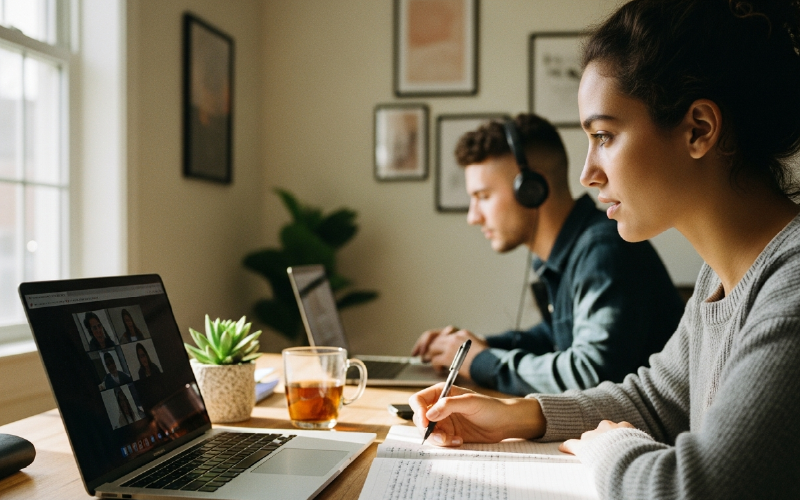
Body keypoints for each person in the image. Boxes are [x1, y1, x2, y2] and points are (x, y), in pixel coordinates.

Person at [409, 0, 800, 497]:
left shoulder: (790, 287)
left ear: (698, 129)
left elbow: (700, 487)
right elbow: (656, 399)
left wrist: (609, 446)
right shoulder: (718, 278)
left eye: (604, 136)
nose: (587, 174)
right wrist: (518, 415)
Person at [412, 113, 684, 396]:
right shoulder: (571, 251)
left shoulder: (604, 250)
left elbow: (591, 374)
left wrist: (482, 362)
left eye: (483, 197)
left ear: (531, 189)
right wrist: (473, 347)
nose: (473, 217)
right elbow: (554, 335)